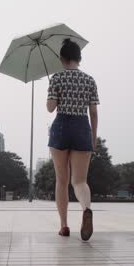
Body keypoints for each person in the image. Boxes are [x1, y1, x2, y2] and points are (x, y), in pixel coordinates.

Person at [47, 38, 99, 241]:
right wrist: (92, 138)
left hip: (61, 126)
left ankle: (64, 226)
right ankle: (86, 208)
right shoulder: (89, 80)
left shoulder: (56, 78)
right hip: (82, 127)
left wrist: (54, 93)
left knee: (62, 180)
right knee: (80, 181)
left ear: (62, 58)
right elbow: (93, 112)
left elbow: (51, 108)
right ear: (79, 58)